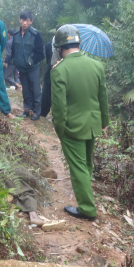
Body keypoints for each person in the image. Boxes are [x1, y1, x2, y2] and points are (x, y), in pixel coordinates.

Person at [51, 25, 109, 221]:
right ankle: (87, 197)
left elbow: (59, 108)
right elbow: (103, 98)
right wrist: (105, 122)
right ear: (78, 43)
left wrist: (60, 130)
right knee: (86, 163)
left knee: (78, 168)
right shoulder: (96, 65)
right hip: (93, 124)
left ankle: (87, 209)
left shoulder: (59, 70)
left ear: (60, 48)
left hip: (72, 128)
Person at [12, 10, 45, 120]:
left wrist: (31, 61)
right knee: (25, 91)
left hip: (33, 68)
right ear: (19, 20)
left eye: (27, 20)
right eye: (23, 20)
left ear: (31, 21)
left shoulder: (36, 35)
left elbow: (41, 53)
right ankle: (27, 111)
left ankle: (36, 112)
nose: (24, 23)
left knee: (36, 90)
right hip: (21, 68)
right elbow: (13, 51)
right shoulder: (16, 35)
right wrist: (14, 61)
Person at [41, 39, 53, 117]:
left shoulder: (49, 44)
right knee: (46, 92)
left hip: (54, 70)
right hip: (50, 70)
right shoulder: (49, 45)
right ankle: (43, 111)